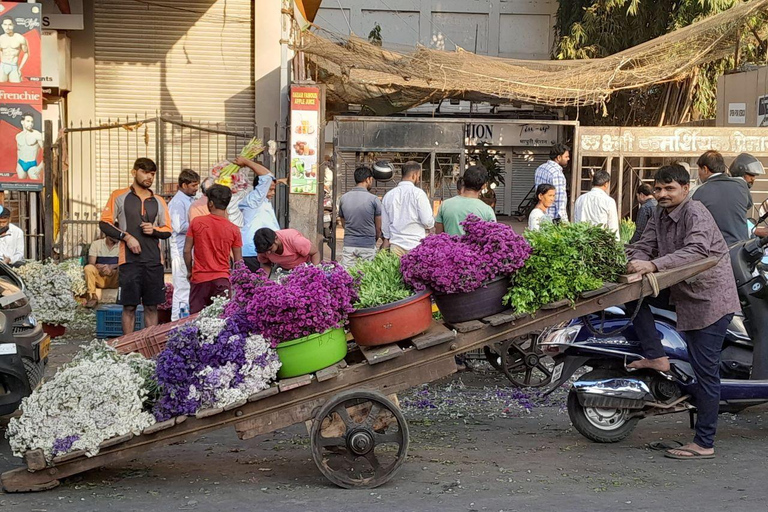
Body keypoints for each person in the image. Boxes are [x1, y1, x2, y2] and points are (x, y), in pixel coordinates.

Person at [626, 164, 739, 460]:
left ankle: (704, 443)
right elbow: (643, 245)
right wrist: (637, 261)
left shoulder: (695, 212)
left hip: (709, 301)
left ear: (685, 189)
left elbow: (697, 252)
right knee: (632, 298)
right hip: (681, 292)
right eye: (659, 189)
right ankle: (657, 356)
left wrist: (652, 265)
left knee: (705, 373)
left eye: (670, 189)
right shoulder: (657, 215)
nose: (663, 194)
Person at [99, 158, 172, 335]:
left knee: (151, 307)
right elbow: (104, 223)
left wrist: (154, 230)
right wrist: (127, 237)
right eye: (145, 172)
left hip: (153, 260)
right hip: (129, 261)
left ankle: (150, 349)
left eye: (152, 174)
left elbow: (168, 230)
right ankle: (127, 349)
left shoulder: (159, 201)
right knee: (129, 307)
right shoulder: (119, 195)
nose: (149, 177)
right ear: (134, 172)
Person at [184, 185, 243, 314]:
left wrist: (190, 271)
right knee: (220, 321)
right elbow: (238, 261)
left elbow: (186, 251)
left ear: (210, 203)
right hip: (222, 280)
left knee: (195, 320)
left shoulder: (196, 222)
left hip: (199, 279)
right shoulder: (234, 229)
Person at [232, 156, 282, 274]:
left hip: (263, 250)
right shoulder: (255, 200)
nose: (273, 193)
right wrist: (247, 162)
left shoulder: (263, 201)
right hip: (252, 252)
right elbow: (267, 177)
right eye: (270, 189)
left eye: (274, 189)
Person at [692, 150, 751, 247]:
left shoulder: (697, 192)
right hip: (742, 250)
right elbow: (747, 205)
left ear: (705, 169)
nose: (698, 174)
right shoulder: (741, 184)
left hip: (715, 251)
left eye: (698, 169)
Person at [380, 161, 435, 256]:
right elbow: (427, 221)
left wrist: (387, 239)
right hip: (416, 245)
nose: (418, 178)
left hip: (396, 245)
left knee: (395, 271)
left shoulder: (389, 195)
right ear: (415, 175)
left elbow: (385, 225)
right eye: (419, 176)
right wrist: (431, 226)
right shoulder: (419, 194)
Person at [167, 168, 200, 320]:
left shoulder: (191, 200)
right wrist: (199, 224)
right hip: (180, 250)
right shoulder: (177, 202)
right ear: (184, 185)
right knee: (182, 287)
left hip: (191, 248)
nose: (196, 188)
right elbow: (178, 226)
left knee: (190, 287)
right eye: (193, 185)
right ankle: (177, 322)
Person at [338, 166, 382, 268]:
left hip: (349, 244)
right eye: (371, 179)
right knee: (366, 277)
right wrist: (373, 239)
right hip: (368, 244)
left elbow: (343, 222)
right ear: (367, 179)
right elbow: (378, 227)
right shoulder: (374, 199)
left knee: (347, 277)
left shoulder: (344, 198)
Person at [435, 165, 495, 235]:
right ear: (483, 186)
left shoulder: (445, 205)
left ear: (463, 181)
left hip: (449, 245)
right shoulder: (487, 210)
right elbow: (492, 238)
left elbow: (438, 236)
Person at [573, 170, 619, 240]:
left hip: (582, 240)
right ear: (606, 184)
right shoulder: (609, 201)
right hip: (601, 243)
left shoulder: (580, 199)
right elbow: (613, 227)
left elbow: (576, 222)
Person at [254, 227, 320, 275]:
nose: (268, 253)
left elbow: (315, 253)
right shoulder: (263, 249)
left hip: (305, 267)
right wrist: (264, 281)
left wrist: (313, 272)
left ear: (276, 239)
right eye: (265, 251)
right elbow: (265, 263)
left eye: (270, 249)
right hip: (282, 270)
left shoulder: (294, 240)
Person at [534, 143, 570, 223]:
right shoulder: (557, 174)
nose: (568, 159)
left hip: (540, 212)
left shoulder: (540, 168)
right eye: (566, 157)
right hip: (551, 218)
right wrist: (565, 222)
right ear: (558, 157)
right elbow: (560, 201)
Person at [84, 236, 120, 308]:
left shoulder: (122, 245)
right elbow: (91, 263)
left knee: (125, 267)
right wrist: (102, 268)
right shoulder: (96, 244)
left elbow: (124, 262)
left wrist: (110, 267)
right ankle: (93, 296)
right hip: (100, 278)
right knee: (88, 268)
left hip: (115, 278)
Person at [0, 17, 28, 83]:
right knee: (1, 88)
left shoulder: (19, 38)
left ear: (13, 25)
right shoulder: (1, 38)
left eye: (10, 25)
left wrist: (20, 68)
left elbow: (26, 53)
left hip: (14, 66)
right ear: (2, 26)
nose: (7, 27)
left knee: (17, 88)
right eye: (5, 25)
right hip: (3, 66)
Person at [16, 114, 43, 180]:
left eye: (32, 122)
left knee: (35, 186)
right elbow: (19, 150)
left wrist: (39, 168)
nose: (30, 123)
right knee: (21, 186)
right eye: (28, 121)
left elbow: (47, 152)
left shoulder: (37, 135)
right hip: (21, 163)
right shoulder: (18, 136)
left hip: (32, 164)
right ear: (22, 122)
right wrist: (17, 164)